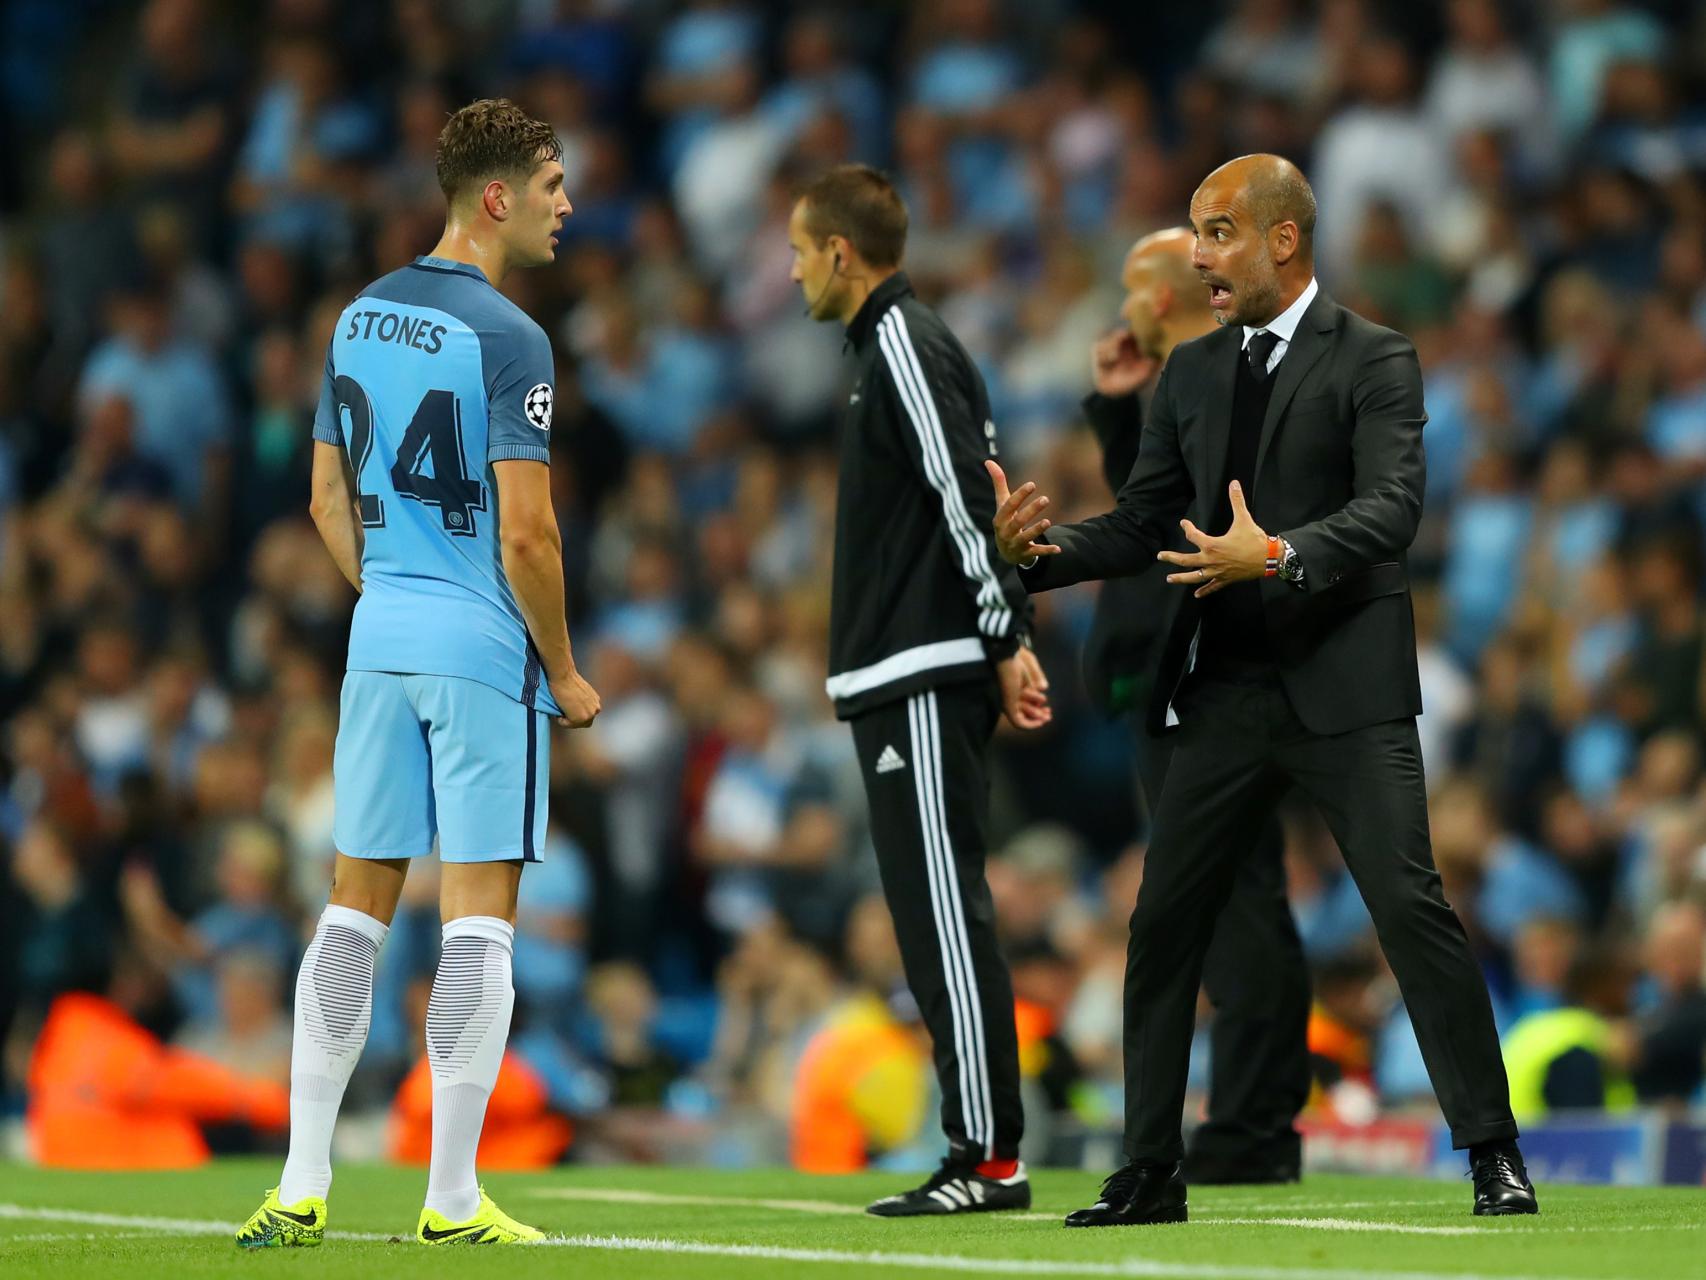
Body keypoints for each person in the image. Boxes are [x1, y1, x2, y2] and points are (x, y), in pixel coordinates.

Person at [988, 154, 1537, 1224]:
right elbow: (1146, 522)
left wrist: (1275, 553)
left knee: (1408, 905)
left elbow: (1392, 509)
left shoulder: (1375, 358)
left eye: (1217, 230)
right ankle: (1149, 1167)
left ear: (1282, 239)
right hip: (1225, 692)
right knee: (1161, 926)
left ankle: (1491, 1150)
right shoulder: (1189, 374)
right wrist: (1038, 554)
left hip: (1345, 690)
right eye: (1194, 232)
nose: (1198, 253)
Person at [235, 98, 600, 1250]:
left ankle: (300, 1182)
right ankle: (449, 1197)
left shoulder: (355, 316)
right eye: (551, 186)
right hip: (480, 643)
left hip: (377, 636)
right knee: (478, 919)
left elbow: (322, 502)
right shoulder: (512, 337)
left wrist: (389, 594)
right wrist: (566, 668)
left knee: (352, 905)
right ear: (495, 198)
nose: (566, 206)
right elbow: (528, 538)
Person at [789, 163, 1050, 1217]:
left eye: (802, 250)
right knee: (927, 917)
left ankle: (988, 1157)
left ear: (841, 253)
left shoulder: (899, 338)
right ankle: (976, 1149)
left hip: (924, 669)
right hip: (898, 673)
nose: (793, 268)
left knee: (946, 916)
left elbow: (960, 498)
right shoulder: (880, 349)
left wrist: (1006, 634)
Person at [1083, 227, 1310, 1185]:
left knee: (1227, 901)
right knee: (1223, 899)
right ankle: (1249, 1123)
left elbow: (1167, 533)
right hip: (1179, 681)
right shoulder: (1191, 385)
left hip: (1205, 680)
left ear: (1164, 298)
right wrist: (1117, 404)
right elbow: (1145, 506)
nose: (1125, 304)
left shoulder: (1228, 382)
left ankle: (1253, 1128)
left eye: (1138, 288)